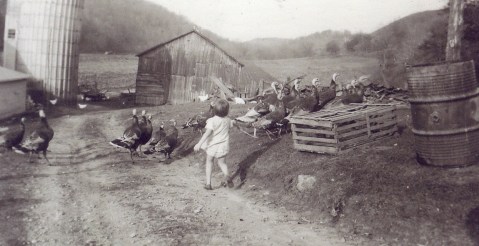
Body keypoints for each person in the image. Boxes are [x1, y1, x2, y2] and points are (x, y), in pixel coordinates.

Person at [194, 99, 237, 190]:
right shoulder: (228, 120)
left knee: (209, 162)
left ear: (214, 110)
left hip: (213, 146)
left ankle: (208, 184)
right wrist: (234, 122)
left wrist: (199, 143)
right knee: (222, 163)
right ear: (227, 111)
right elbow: (231, 124)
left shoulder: (212, 121)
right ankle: (227, 176)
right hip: (224, 146)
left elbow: (207, 133)